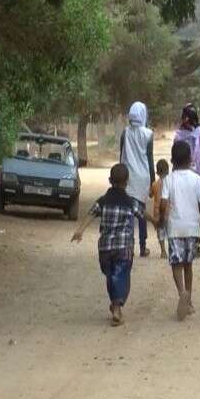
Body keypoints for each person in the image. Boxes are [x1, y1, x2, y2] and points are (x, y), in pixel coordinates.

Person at [71, 164, 156, 326]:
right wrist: (155, 221)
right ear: (127, 182)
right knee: (121, 275)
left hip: (105, 249)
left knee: (111, 276)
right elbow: (142, 213)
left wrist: (80, 230)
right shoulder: (130, 202)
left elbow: (91, 214)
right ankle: (117, 307)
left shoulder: (103, 201)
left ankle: (115, 305)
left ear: (110, 180)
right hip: (123, 248)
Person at [160, 141, 200, 321]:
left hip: (175, 227)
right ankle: (188, 300)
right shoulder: (196, 179)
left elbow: (163, 203)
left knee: (176, 264)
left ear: (172, 160)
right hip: (193, 228)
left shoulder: (168, 179)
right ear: (190, 159)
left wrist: (161, 219)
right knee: (188, 264)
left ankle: (181, 292)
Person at [174, 103, 200, 257]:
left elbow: (174, 158)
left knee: (183, 210)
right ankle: (195, 245)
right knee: (198, 212)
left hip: (182, 179)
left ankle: (186, 242)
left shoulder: (178, 136)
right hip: (199, 179)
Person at [120, 101, 155, 257]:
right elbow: (150, 158)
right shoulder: (149, 134)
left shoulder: (125, 133)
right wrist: (153, 180)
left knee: (128, 211)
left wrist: (119, 175)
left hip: (127, 176)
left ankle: (129, 245)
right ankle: (142, 246)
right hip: (142, 177)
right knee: (141, 212)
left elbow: (121, 154)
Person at [151, 159, 169, 259]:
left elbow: (150, 195)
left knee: (160, 232)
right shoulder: (170, 183)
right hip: (169, 212)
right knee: (170, 232)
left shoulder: (155, 184)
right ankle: (171, 249)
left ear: (157, 172)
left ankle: (163, 251)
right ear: (168, 171)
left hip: (158, 213)